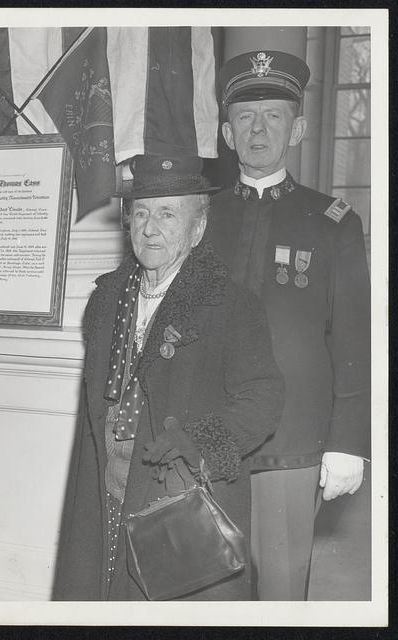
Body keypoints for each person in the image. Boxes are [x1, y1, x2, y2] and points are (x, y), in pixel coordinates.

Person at [53, 155, 284, 601]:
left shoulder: (231, 305)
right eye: (140, 212)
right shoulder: (105, 301)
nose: (150, 228)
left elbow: (264, 398)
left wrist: (202, 442)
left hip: (177, 496)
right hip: (106, 489)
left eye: (167, 213)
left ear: (197, 229)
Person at [207, 50, 371, 600]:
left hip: (291, 441)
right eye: (245, 118)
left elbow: (353, 339)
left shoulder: (333, 224)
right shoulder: (199, 219)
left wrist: (348, 441)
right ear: (226, 134)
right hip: (209, 437)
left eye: (274, 116)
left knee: (278, 595)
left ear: (297, 129)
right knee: (205, 591)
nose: (259, 129)